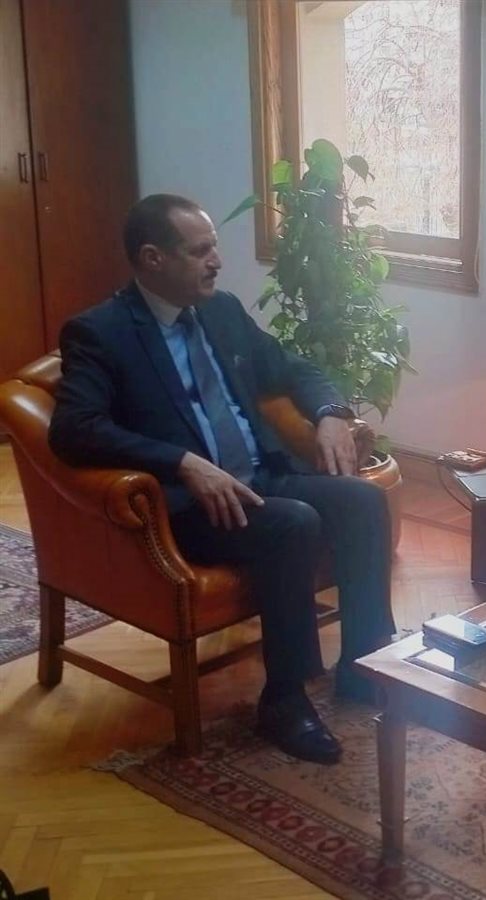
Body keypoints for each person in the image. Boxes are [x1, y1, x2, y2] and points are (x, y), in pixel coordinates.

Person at [48, 194, 397, 765]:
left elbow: (293, 368)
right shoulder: (101, 333)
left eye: (214, 246)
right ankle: (283, 700)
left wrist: (332, 413)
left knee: (362, 500)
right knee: (293, 523)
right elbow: (73, 430)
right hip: (192, 507)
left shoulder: (221, 311)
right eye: (201, 251)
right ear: (153, 258)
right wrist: (180, 462)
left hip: (261, 476)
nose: (217, 261)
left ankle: (366, 664)